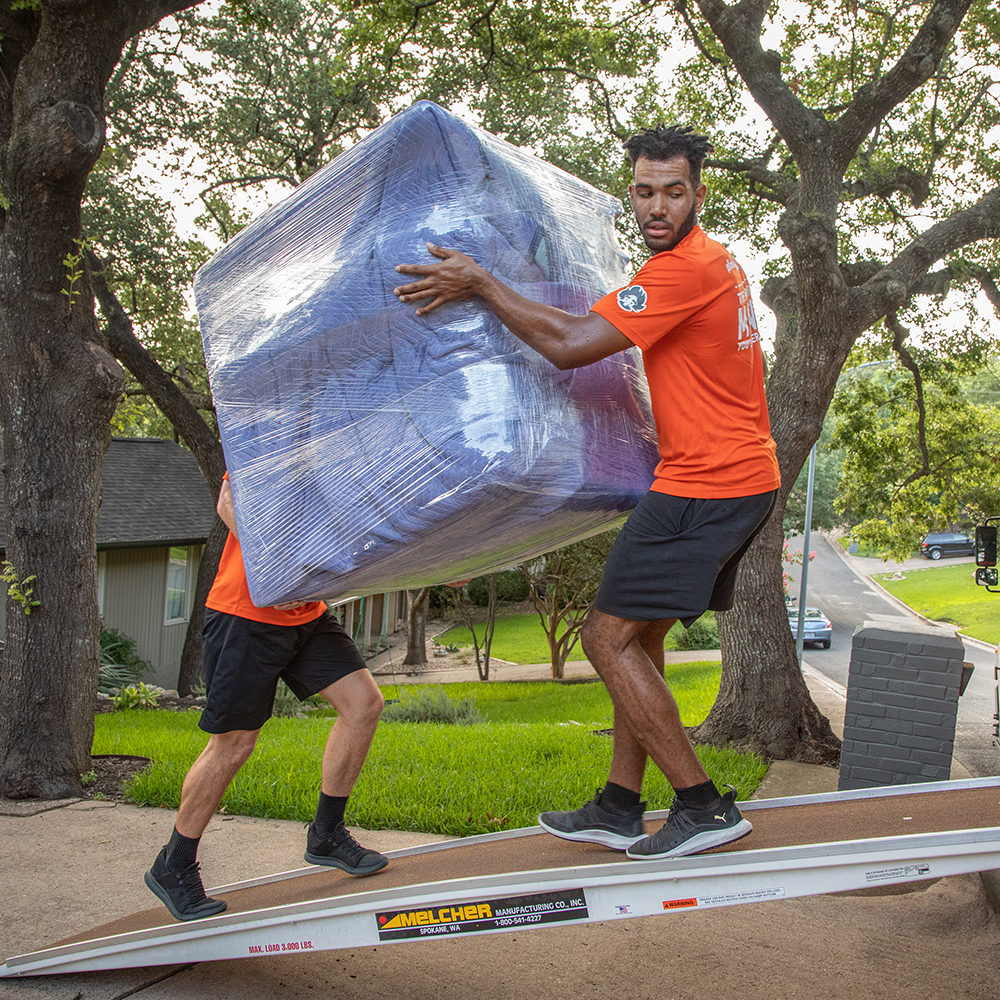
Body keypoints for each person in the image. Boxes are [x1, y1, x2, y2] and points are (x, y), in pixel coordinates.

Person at [393, 125, 780, 861]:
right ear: (631, 191)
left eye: (673, 191)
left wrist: (480, 282)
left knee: (604, 639)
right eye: (644, 191)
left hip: (706, 485)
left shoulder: (680, 273)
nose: (657, 205)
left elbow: (571, 344)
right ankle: (619, 804)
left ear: (698, 193)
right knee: (640, 639)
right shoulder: (711, 263)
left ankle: (701, 806)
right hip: (732, 479)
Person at [144, 474, 387, 921]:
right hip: (246, 614)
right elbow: (227, 503)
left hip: (305, 613)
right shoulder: (272, 433)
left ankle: (327, 834)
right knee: (234, 743)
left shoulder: (352, 454)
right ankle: (174, 865)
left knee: (364, 704)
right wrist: (280, 563)